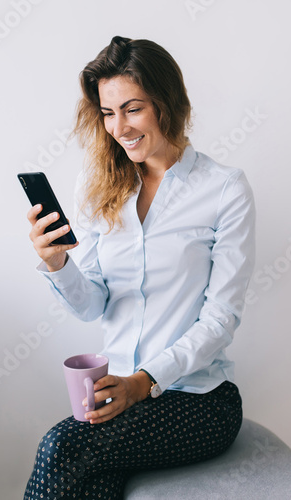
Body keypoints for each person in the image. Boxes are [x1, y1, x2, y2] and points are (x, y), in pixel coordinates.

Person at [24, 36, 255, 499]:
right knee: (96, 484)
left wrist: (143, 382)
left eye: (132, 109)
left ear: (168, 103)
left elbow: (220, 319)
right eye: (109, 113)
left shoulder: (225, 189)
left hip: (199, 400)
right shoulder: (98, 184)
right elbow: (93, 306)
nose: (119, 127)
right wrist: (57, 264)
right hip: (114, 394)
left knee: (60, 446)